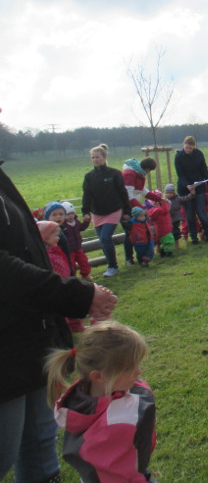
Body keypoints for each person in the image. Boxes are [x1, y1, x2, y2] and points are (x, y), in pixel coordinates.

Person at [1, 162, 117, 483]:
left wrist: (28, 238)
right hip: (7, 352)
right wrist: (78, 296)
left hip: (29, 345)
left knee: (39, 448)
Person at [48, 321, 157, 483]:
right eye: (129, 368)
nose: (138, 371)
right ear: (98, 376)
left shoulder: (81, 397)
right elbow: (119, 474)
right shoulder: (116, 424)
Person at [82, 144, 131, 277]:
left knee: (105, 237)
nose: (95, 160)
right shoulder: (89, 177)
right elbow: (86, 195)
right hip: (97, 212)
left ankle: (112, 267)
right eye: (92, 158)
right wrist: (85, 211)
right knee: (103, 241)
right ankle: (111, 263)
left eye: (97, 157)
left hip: (114, 210)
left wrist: (127, 211)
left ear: (104, 157)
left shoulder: (114, 174)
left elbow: (122, 192)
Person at [174, 136, 208, 244]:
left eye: (190, 148)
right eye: (187, 148)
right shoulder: (178, 156)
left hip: (199, 187)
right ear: (183, 145)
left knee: (201, 212)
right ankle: (194, 238)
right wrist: (187, 185)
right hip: (185, 189)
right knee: (190, 214)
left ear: (194, 147)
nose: (188, 150)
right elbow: (180, 175)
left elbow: (204, 170)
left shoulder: (199, 154)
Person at [121, 157, 157, 265]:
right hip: (126, 208)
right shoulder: (130, 174)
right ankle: (129, 258)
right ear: (146, 168)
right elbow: (128, 196)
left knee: (141, 232)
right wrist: (142, 208)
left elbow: (143, 191)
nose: (148, 173)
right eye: (149, 170)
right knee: (130, 234)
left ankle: (143, 256)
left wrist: (158, 199)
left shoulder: (138, 173)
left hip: (134, 208)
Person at [60, 201, 92, 281]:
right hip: (69, 249)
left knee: (84, 261)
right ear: (63, 215)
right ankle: (73, 277)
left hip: (78, 247)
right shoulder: (63, 226)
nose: (70, 216)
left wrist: (86, 222)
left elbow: (82, 228)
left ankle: (85, 274)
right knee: (71, 264)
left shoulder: (76, 222)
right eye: (67, 214)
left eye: (72, 213)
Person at [146, 190, 175, 258]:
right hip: (165, 229)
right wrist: (164, 202)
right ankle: (168, 252)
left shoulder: (154, 210)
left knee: (164, 242)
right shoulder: (160, 210)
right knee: (170, 241)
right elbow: (166, 210)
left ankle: (162, 252)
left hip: (161, 230)